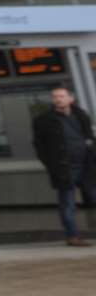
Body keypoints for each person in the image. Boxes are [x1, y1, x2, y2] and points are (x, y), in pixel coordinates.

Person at [31, 84, 96, 247]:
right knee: (67, 202)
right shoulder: (44, 120)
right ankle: (72, 236)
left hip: (87, 165)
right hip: (64, 168)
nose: (57, 99)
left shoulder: (81, 115)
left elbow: (89, 137)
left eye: (61, 96)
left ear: (70, 98)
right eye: (55, 97)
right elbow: (40, 146)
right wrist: (51, 165)